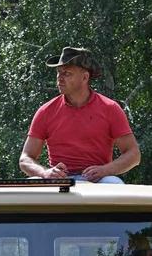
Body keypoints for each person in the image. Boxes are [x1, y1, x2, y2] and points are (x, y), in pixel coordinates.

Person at [19, 46, 141, 183]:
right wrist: (45, 172)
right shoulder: (45, 111)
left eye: (67, 73)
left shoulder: (110, 108)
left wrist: (105, 170)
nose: (60, 78)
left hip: (98, 180)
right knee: (32, 183)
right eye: (59, 73)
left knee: (114, 183)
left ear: (84, 77)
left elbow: (134, 154)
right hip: (59, 181)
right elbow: (25, 158)